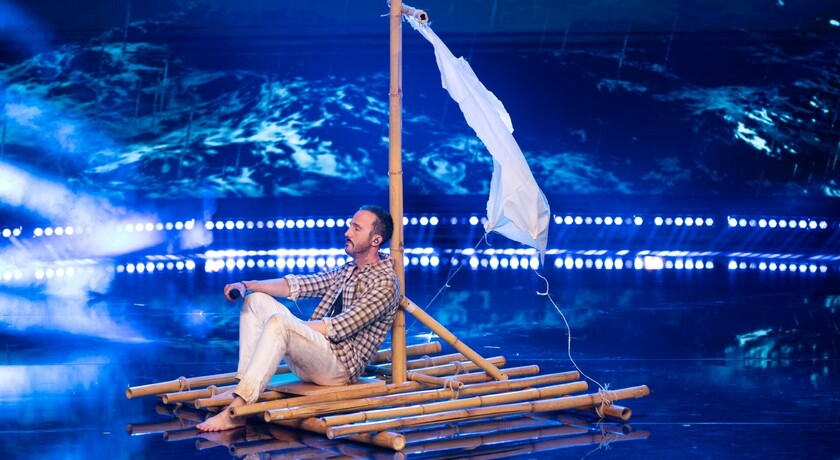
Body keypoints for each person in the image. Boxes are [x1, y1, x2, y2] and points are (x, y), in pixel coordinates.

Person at [197, 205, 400, 432]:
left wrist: (289, 328)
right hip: (316, 356)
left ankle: (237, 411)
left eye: (356, 228)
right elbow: (299, 285)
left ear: (375, 240)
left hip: (339, 368)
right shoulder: (347, 270)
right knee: (255, 301)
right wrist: (247, 284)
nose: (347, 232)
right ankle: (243, 386)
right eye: (350, 226)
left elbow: (340, 326)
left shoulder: (385, 283)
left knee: (280, 323)